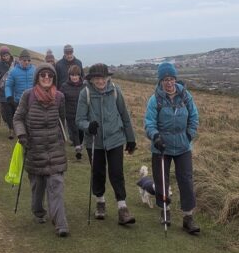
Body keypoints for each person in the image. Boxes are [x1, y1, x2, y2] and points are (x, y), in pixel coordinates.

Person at [76, 63, 137, 225]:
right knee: (98, 172)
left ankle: (122, 208)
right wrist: (88, 126)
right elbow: (79, 120)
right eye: (97, 78)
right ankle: (100, 202)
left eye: (103, 77)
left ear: (107, 78)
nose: (100, 81)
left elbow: (125, 116)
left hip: (115, 138)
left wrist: (131, 138)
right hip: (94, 142)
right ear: (92, 79)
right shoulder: (85, 93)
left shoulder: (116, 91)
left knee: (117, 172)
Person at [13, 63, 69, 237]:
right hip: (34, 148)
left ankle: (61, 223)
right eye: (43, 75)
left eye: (50, 76)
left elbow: (62, 119)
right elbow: (18, 118)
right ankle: (38, 212)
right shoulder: (28, 96)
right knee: (38, 187)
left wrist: (63, 139)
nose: (46, 78)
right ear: (37, 77)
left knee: (56, 185)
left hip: (54, 149)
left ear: (54, 79)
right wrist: (22, 136)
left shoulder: (59, 97)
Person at [144, 62, 200, 234]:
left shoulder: (185, 96)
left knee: (186, 180)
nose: (169, 82)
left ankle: (188, 217)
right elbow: (149, 122)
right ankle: (165, 212)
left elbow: (194, 117)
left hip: (183, 146)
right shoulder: (155, 99)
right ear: (161, 81)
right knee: (162, 180)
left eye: (171, 79)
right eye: (165, 79)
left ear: (175, 79)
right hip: (161, 146)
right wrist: (155, 137)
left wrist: (189, 135)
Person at [60, 65, 84, 160]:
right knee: (74, 131)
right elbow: (61, 99)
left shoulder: (84, 86)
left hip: (82, 114)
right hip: (70, 113)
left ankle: (79, 143)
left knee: (81, 131)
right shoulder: (64, 86)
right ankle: (78, 149)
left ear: (79, 75)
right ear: (69, 75)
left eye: (76, 75)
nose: (74, 77)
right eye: (72, 75)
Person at [5, 49, 35, 119]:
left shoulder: (34, 70)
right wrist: (9, 97)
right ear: (20, 60)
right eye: (24, 60)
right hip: (19, 102)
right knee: (20, 121)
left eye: (28, 60)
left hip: (32, 101)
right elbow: (8, 85)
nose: (27, 62)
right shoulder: (13, 71)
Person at [0, 46, 15, 139]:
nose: (5, 57)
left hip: (14, 91)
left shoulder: (15, 64)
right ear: (1, 56)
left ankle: (15, 128)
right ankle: (11, 129)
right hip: (3, 92)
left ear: (9, 55)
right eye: (3, 56)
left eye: (7, 55)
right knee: (7, 113)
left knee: (14, 111)